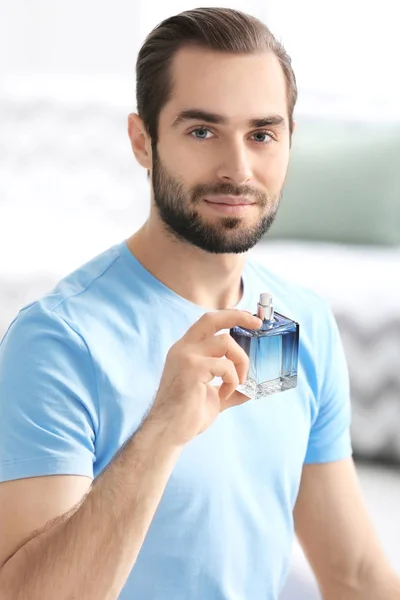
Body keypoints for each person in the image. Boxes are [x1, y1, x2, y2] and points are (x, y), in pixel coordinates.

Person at [0, 7, 398, 600]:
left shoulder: (292, 324)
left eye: (262, 134)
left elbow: (354, 575)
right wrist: (162, 430)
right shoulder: (60, 342)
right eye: (202, 131)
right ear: (143, 141)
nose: (237, 170)